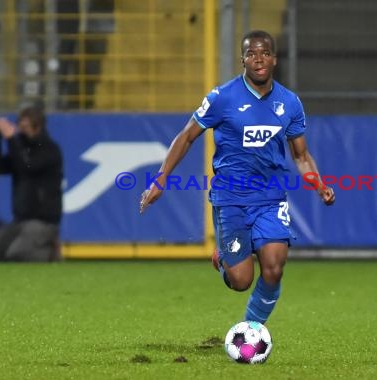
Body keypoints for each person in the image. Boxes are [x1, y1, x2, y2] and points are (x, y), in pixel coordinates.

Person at [139, 30, 334, 324]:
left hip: (270, 198)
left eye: (265, 53)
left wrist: (319, 184)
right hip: (231, 199)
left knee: (274, 267)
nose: (259, 59)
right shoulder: (222, 98)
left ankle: (252, 329)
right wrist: (160, 179)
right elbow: (186, 136)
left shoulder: (290, 103)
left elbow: (301, 156)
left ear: (274, 59)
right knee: (242, 280)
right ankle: (223, 261)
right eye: (252, 53)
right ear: (242, 59)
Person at [0, 105, 64, 262]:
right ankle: (43, 247)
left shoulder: (50, 150)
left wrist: (10, 140)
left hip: (43, 222)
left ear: (37, 127)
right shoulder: (22, 149)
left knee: (18, 255)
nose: (20, 131)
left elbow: (27, 167)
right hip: (20, 221)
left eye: (25, 127)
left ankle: (51, 252)